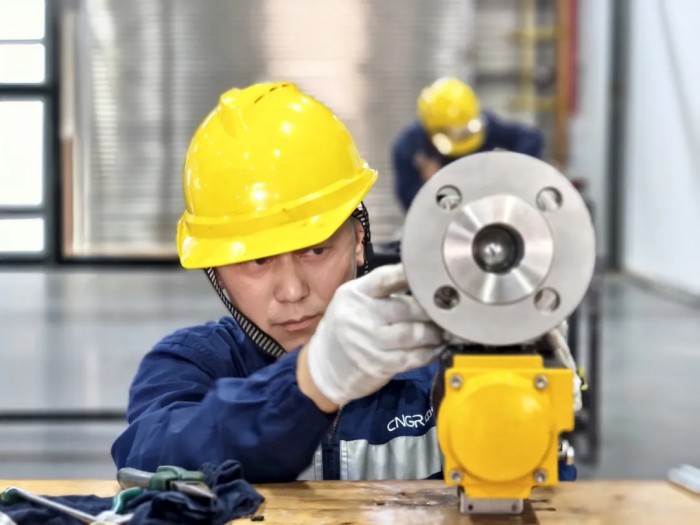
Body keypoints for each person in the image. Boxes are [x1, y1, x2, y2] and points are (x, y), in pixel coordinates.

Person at [111, 82, 446, 483]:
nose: (292, 291)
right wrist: (311, 380)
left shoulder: (434, 362)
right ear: (217, 271)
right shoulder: (190, 365)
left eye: (316, 250)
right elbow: (153, 458)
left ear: (359, 240)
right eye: (257, 261)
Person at [393, 77, 544, 211]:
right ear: (430, 130)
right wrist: (432, 185)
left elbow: (531, 139)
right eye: (455, 134)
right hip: (441, 215)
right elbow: (409, 203)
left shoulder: (486, 126)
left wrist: (505, 171)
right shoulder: (410, 147)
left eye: (465, 133)